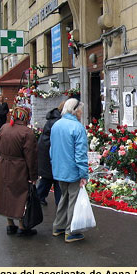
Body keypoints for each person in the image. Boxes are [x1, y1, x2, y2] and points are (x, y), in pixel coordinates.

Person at [50, 98, 88, 243]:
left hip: (59, 168)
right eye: (80, 109)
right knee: (73, 199)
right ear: (75, 110)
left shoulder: (56, 125)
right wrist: (83, 174)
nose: (81, 112)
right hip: (73, 170)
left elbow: (52, 149)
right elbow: (80, 154)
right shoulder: (77, 127)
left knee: (63, 198)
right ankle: (71, 231)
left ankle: (58, 226)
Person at [0, 105, 38, 237]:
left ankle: (10, 224)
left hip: (4, 165)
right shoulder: (27, 132)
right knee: (21, 195)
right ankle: (22, 226)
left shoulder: (4, 128)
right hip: (20, 167)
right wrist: (33, 176)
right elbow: (31, 157)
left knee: (6, 194)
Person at [37, 101, 65, 206]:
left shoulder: (54, 119)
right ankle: (59, 202)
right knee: (54, 179)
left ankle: (40, 197)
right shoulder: (57, 121)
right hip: (49, 153)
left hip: (46, 152)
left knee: (48, 178)